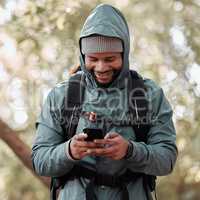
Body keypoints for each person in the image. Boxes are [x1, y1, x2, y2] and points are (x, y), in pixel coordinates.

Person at [31, 4, 178, 200]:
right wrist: (69, 151)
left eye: (110, 59)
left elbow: (166, 159)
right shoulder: (62, 96)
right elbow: (40, 161)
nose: (101, 67)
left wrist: (130, 150)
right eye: (93, 58)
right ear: (83, 57)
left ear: (124, 55)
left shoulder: (149, 95)